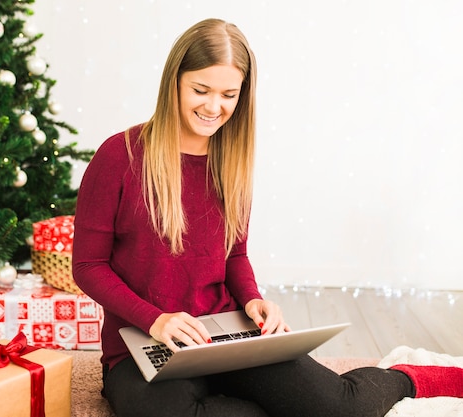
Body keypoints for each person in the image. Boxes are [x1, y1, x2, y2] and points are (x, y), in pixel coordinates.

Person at [72, 18, 463, 417]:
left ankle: (407, 377)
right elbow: (88, 265)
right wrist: (155, 320)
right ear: (174, 81)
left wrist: (254, 300)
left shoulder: (230, 163)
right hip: (144, 345)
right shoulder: (119, 156)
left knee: (340, 409)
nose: (213, 107)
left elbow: (234, 256)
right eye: (200, 90)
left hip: (226, 335)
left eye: (228, 94)